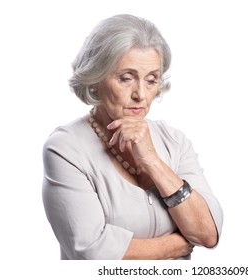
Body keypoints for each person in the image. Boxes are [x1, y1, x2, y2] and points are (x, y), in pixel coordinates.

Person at [42, 14, 223, 260]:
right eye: (126, 78)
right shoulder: (65, 148)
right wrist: (177, 245)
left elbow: (208, 234)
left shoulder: (174, 141)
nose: (140, 94)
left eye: (151, 80)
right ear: (95, 79)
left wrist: (152, 161)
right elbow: (91, 251)